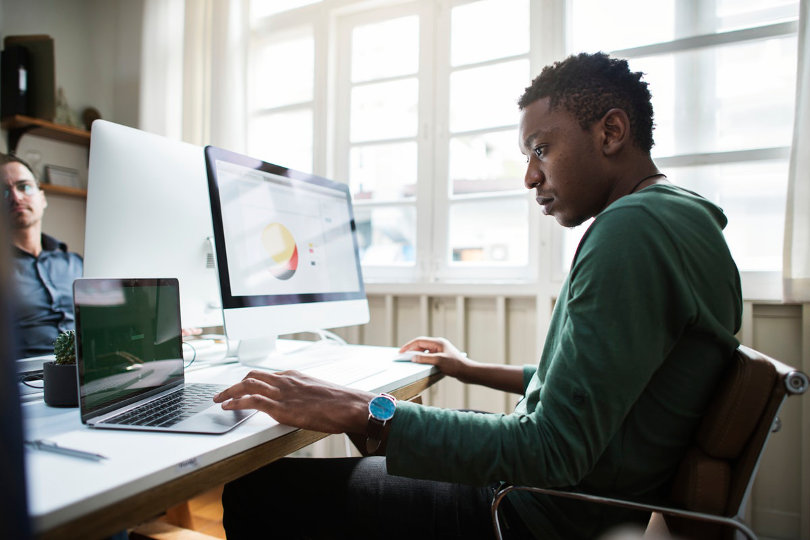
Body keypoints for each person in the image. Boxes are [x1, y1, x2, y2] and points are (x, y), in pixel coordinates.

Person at [212, 52, 743, 539]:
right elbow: (599, 390)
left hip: (527, 513)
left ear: (611, 131)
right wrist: (467, 368)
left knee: (254, 492)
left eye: (541, 148)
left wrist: (361, 408)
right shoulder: (684, 220)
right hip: (580, 497)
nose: (531, 175)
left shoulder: (634, 231)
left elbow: (552, 450)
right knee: (386, 442)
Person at [2, 153, 83, 358]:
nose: (16, 197)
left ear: (42, 198)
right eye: (3, 191)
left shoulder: (75, 263)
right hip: (28, 382)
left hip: (88, 374)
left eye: (24, 186)